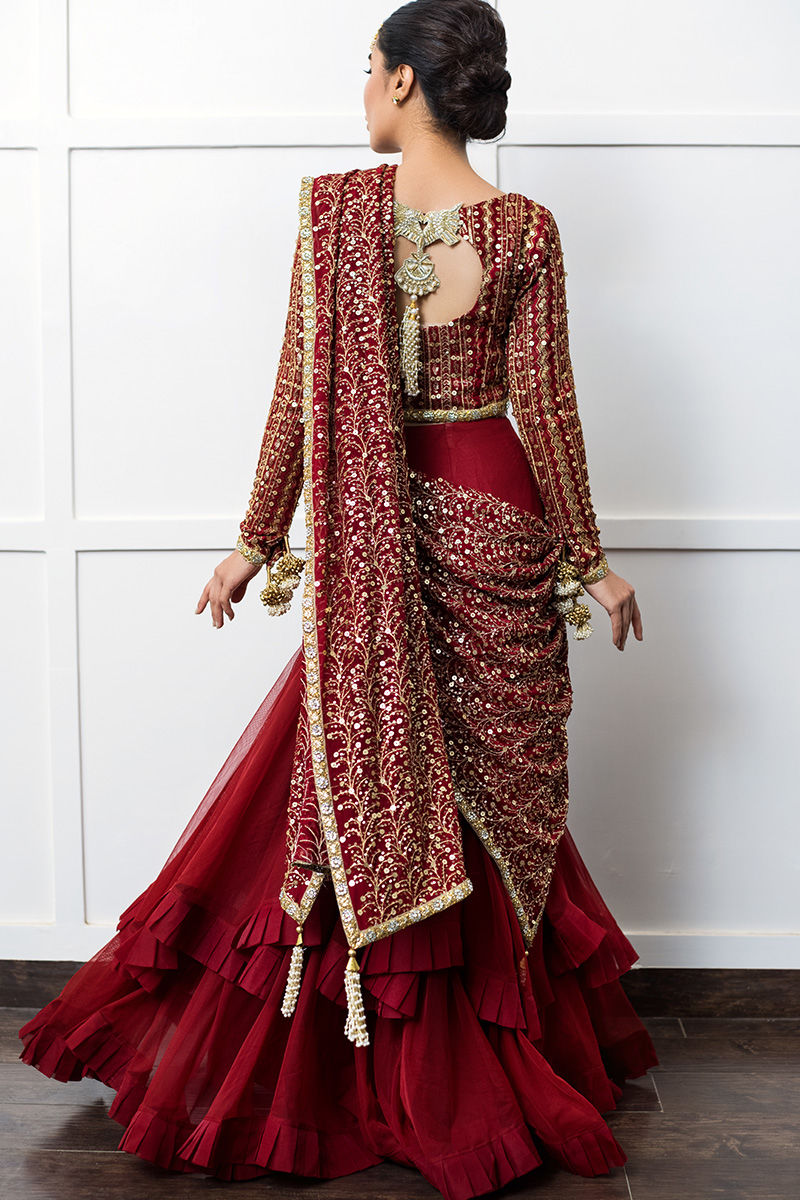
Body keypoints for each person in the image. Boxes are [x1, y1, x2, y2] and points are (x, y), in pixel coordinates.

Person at [18, 3, 655, 1197]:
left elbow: (294, 396)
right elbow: (544, 408)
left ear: (407, 82)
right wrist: (584, 558)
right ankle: (465, 1057)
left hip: (385, 527)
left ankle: (371, 1069)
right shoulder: (521, 229)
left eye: (368, 68)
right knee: (464, 782)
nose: (360, 89)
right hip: (495, 509)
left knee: (371, 771)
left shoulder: (336, 219)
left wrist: (255, 540)